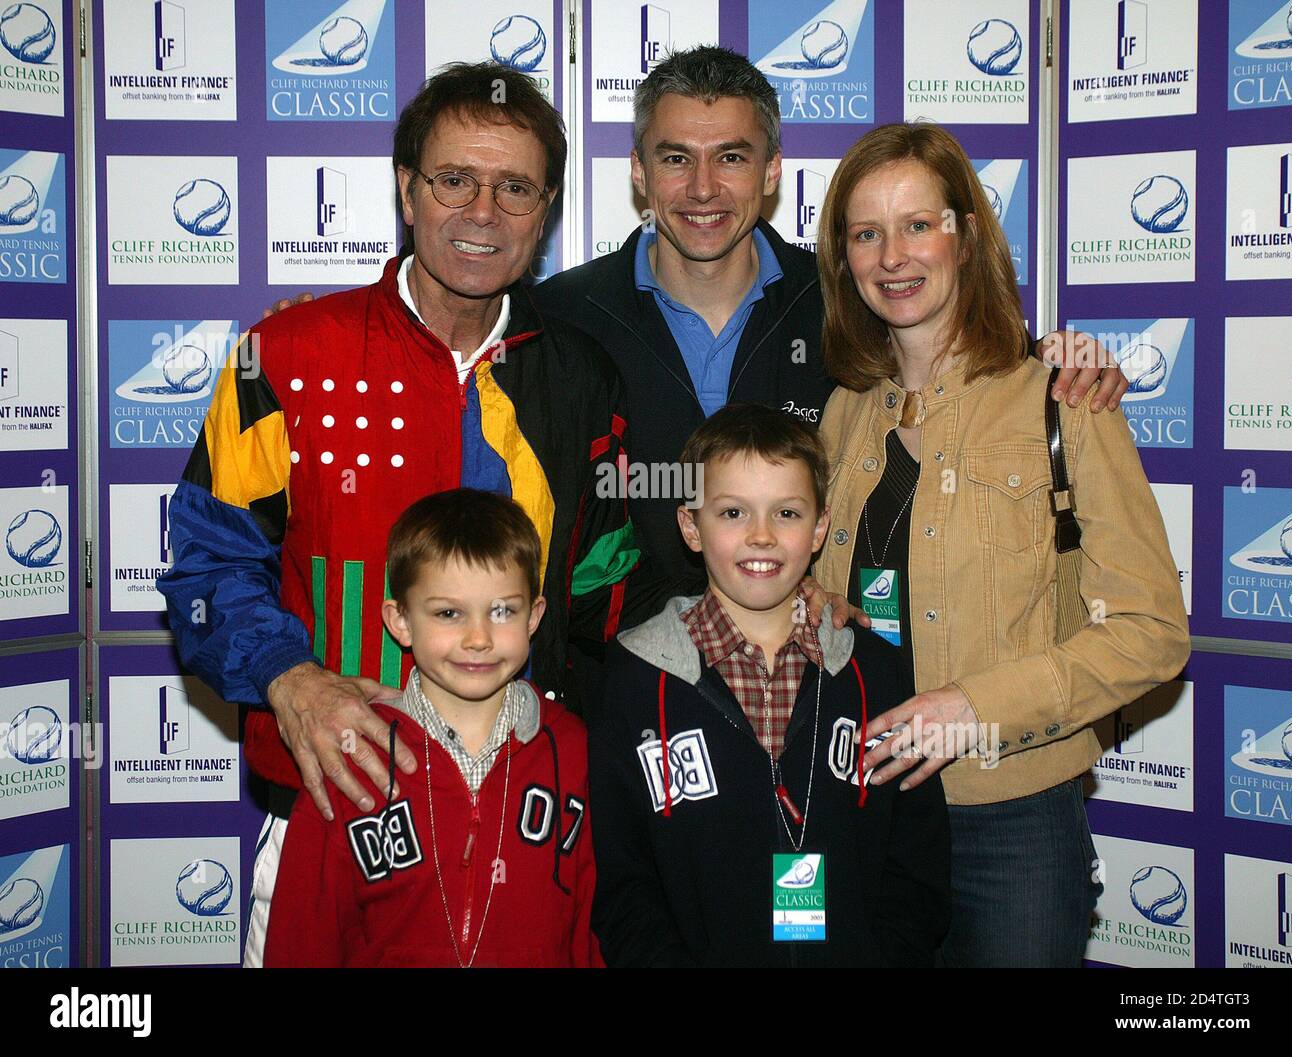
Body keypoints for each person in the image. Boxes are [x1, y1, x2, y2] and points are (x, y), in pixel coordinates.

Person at [157, 62, 638, 965]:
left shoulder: (583, 380)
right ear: (408, 191)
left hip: (520, 822)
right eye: (455, 179)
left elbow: (602, 601)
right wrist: (290, 679)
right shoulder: (286, 355)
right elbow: (207, 567)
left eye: (516, 188)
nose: (483, 211)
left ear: (546, 212)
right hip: (327, 811)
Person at [532, 45, 1129, 607]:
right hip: (618, 688)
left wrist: (1056, 356)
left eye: (732, 158)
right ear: (639, 171)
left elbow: (963, 360)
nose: (704, 188)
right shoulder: (562, 316)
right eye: (676, 158)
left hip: (815, 689)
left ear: (772, 172)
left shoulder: (848, 298)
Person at [811, 123, 1190, 967]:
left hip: (1011, 823)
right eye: (866, 233)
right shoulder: (842, 414)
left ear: (967, 234)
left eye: (919, 224)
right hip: (860, 806)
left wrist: (975, 708)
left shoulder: (1065, 401)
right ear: (843, 258)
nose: (893, 255)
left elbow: (1152, 631)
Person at [588, 404, 950, 967]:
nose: (761, 536)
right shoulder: (635, 680)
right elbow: (624, 880)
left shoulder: (875, 673)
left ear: (820, 529)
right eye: (732, 512)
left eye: (786, 512)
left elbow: (916, 864)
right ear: (690, 526)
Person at [262, 490, 599, 967]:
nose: (478, 638)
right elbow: (303, 938)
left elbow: (594, 925)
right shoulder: (351, 755)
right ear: (400, 621)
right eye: (448, 613)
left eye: (503, 611)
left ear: (535, 618)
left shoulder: (573, 750)